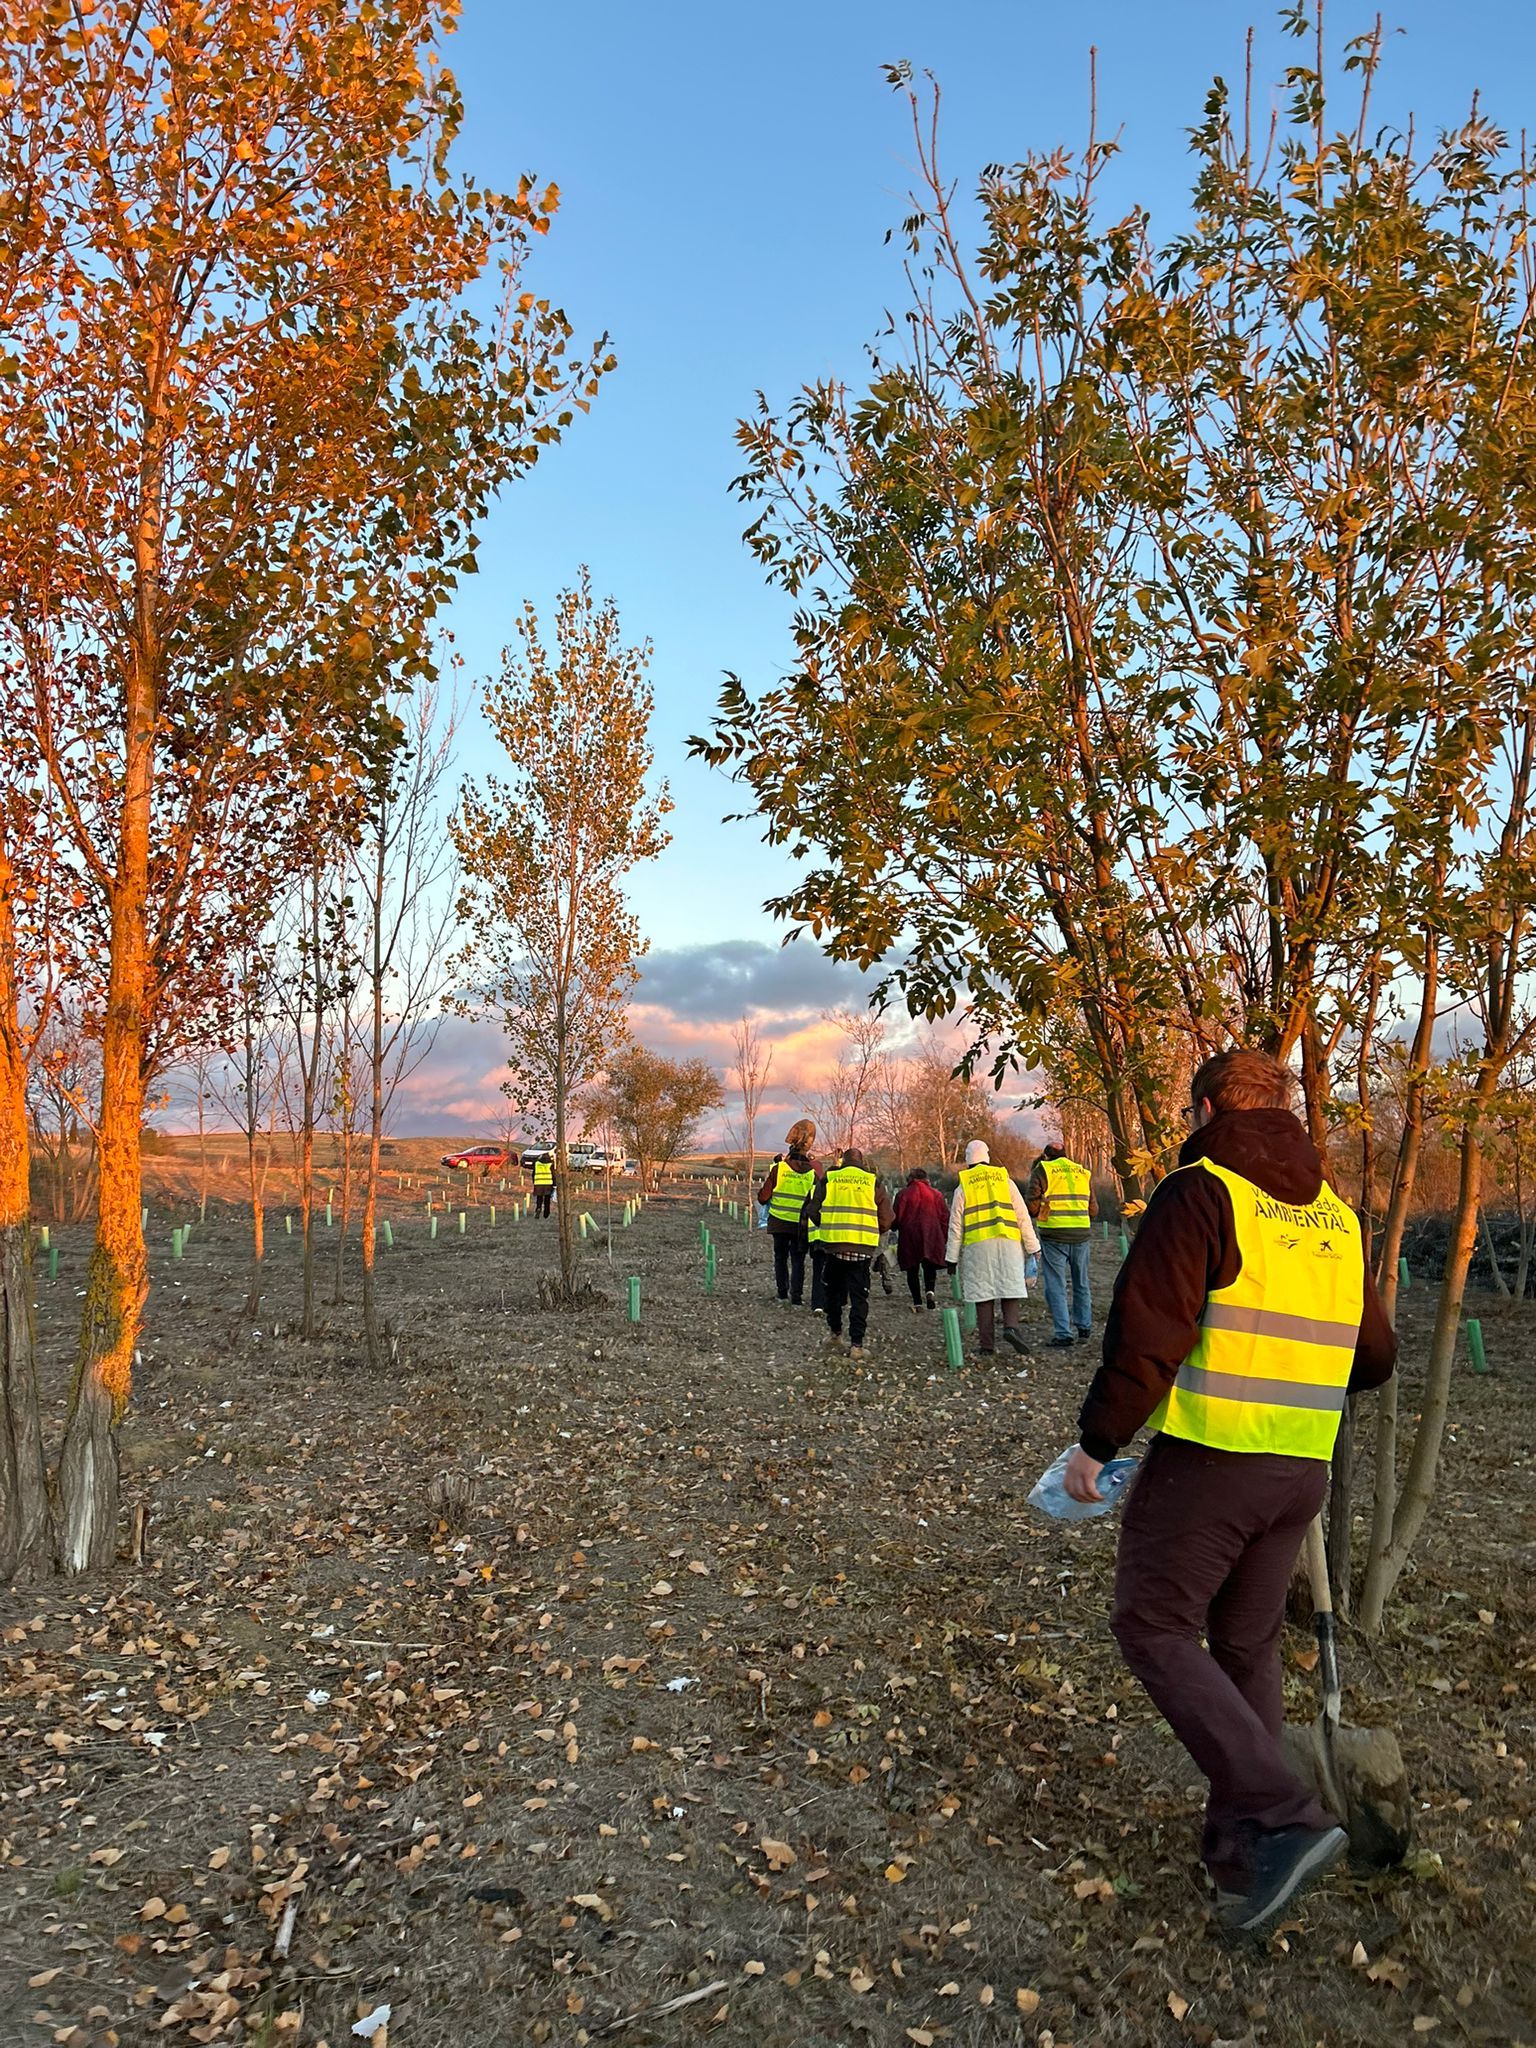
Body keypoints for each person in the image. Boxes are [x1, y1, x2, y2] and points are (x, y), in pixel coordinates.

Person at [1062, 1048, 1397, 1942]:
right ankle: (1246, 1852)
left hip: (1212, 1461)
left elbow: (1147, 1335)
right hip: (1300, 1470)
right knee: (1244, 1646)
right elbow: (1375, 1357)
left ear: (1208, 1105)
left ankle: (1285, 1814)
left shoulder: (1203, 1191)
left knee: (1151, 1625)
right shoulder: (1335, 1217)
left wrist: (1097, 1446)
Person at [946, 1140, 1039, 1355]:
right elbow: (1022, 1216)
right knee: (1010, 1288)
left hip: (978, 1248)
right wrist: (1033, 1247)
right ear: (987, 1157)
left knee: (983, 1295)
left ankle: (987, 1346)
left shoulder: (964, 1187)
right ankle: (1012, 1327)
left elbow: (955, 1226)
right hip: (1009, 1244)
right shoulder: (1006, 1182)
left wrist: (951, 1258)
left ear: (968, 1160)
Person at [803, 1145, 893, 1359]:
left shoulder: (830, 1178)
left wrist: (828, 1225)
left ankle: (835, 1334)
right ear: (862, 1162)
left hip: (834, 1246)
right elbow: (888, 1218)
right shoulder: (873, 1182)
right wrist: (872, 1230)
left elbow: (812, 1209)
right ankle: (857, 1346)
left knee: (833, 1294)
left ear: (842, 1159)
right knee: (859, 1297)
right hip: (862, 1249)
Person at [1027, 1141, 1098, 1348]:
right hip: (1080, 1236)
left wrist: (1043, 1207)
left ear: (1046, 1156)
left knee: (1056, 1285)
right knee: (1081, 1282)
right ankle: (1084, 1327)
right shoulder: (1083, 1172)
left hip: (1054, 1236)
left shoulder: (1043, 1170)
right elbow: (1093, 1210)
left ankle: (1063, 1334)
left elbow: (1031, 1206)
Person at [758, 1147, 814, 1307]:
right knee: (798, 1260)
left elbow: (763, 1197)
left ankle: (782, 1292)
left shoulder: (779, 1169)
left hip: (780, 1222)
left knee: (780, 1258)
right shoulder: (811, 1173)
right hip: (801, 1224)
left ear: (789, 1155)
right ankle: (796, 1296)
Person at [892, 1167, 949, 1313]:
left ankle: (917, 1301)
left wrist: (893, 1228)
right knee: (929, 1266)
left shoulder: (902, 1195)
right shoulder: (936, 1194)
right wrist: (943, 1237)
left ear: (910, 1179)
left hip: (909, 1235)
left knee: (912, 1269)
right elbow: (944, 1217)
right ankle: (930, 1291)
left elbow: (896, 1218)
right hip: (931, 1233)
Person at [531, 1153, 554, 1220]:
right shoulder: (550, 1164)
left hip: (538, 1183)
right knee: (547, 1200)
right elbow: (553, 1175)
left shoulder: (537, 1164)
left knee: (539, 1198)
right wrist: (554, 1184)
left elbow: (533, 1174)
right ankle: (546, 1214)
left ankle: (538, 1208)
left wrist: (534, 1182)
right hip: (548, 1184)